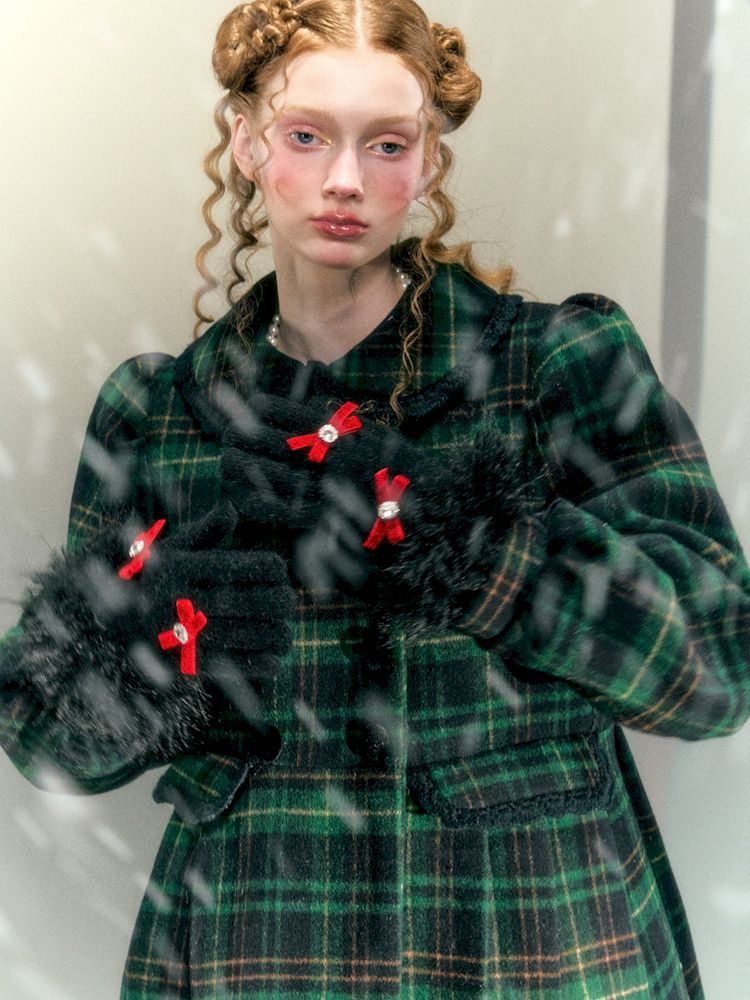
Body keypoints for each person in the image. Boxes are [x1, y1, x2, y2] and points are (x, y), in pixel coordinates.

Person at [1, 0, 749, 997]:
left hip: (531, 938)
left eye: (387, 143)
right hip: (257, 945)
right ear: (247, 142)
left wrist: (461, 535)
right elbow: (50, 749)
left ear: (429, 160)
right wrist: (153, 632)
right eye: (307, 136)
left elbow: (718, 666)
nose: (346, 179)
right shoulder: (160, 414)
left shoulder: (557, 366)